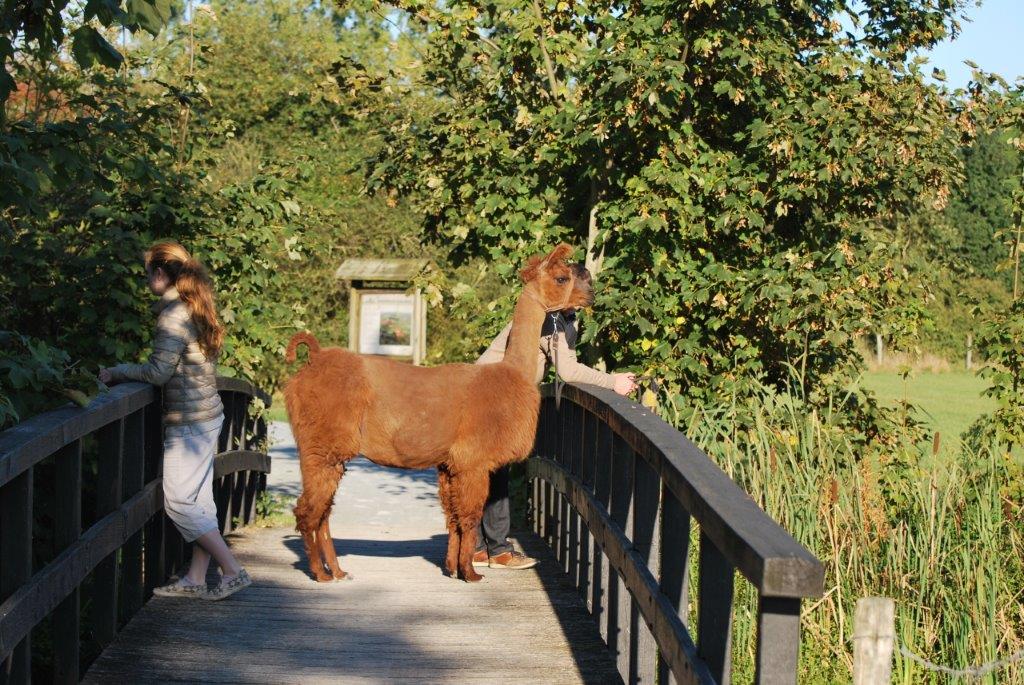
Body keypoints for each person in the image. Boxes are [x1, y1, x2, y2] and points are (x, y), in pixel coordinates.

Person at [99, 241, 251, 600]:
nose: (145, 280)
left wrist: (116, 372)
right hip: (207, 415)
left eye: (146, 273)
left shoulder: (173, 315)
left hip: (189, 423)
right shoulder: (194, 304)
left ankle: (232, 569)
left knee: (179, 502)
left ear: (159, 273)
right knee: (198, 500)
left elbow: (158, 372)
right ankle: (195, 578)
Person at [472, 265, 637, 569]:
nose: (579, 307)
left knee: (486, 471)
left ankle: (482, 548)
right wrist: (612, 382)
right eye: (577, 300)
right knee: (490, 471)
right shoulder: (551, 319)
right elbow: (568, 370)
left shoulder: (558, 316)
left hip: (490, 393)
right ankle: (492, 550)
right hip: (492, 397)